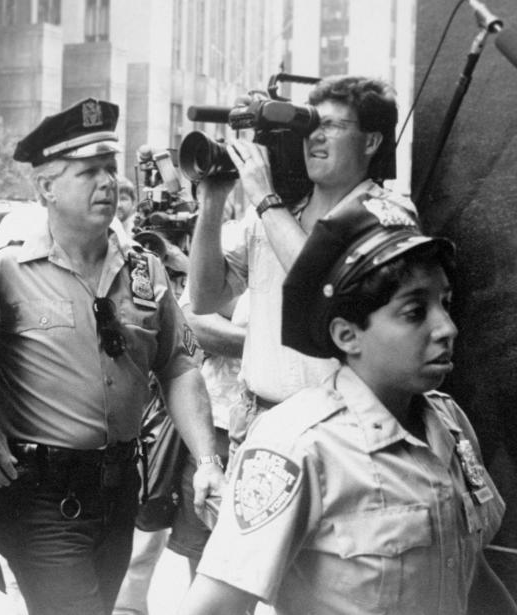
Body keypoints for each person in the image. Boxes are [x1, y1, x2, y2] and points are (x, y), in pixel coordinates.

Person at [179, 196, 514, 615]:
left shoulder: (449, 424)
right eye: (414, 312)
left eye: (444, 303)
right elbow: (213, 605)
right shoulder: (298, 445)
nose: (446, 328)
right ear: (347, 335)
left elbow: (470, 571)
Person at [0, 98, 223, 615]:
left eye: (109, 167)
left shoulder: (146, 270)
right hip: (39, 495)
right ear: (46, 188)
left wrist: (209, 459)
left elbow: (176, 365)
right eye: (88, 172)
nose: (107, 182)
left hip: (119, 490)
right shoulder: (6, 269)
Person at [189, 75, 414, 455]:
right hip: (259, 424)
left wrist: (263, 195)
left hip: (340, 438)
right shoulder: (278, 211)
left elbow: (323, 286)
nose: (315, 137)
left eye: (332, 126)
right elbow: (204, 298)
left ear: (371, 141)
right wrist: (211, 202)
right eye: (311, 126)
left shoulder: (386, 214)